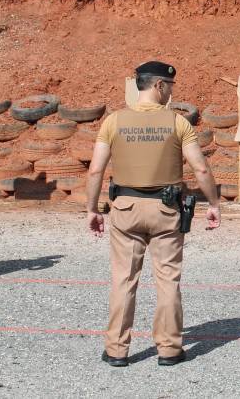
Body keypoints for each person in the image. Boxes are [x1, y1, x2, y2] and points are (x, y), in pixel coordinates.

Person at [86, 61, 221, 367]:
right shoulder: (177, 123)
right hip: (165, 211)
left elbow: (95, 170)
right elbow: (200, 167)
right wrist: (213, 204)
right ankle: (170, 349)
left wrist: (92, 209)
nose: (172, 92)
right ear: (159, 85)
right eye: (170, 86)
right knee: (168, 281)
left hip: (126, 210)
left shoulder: (114, 121)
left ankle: (117, 350)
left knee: (123, 281)